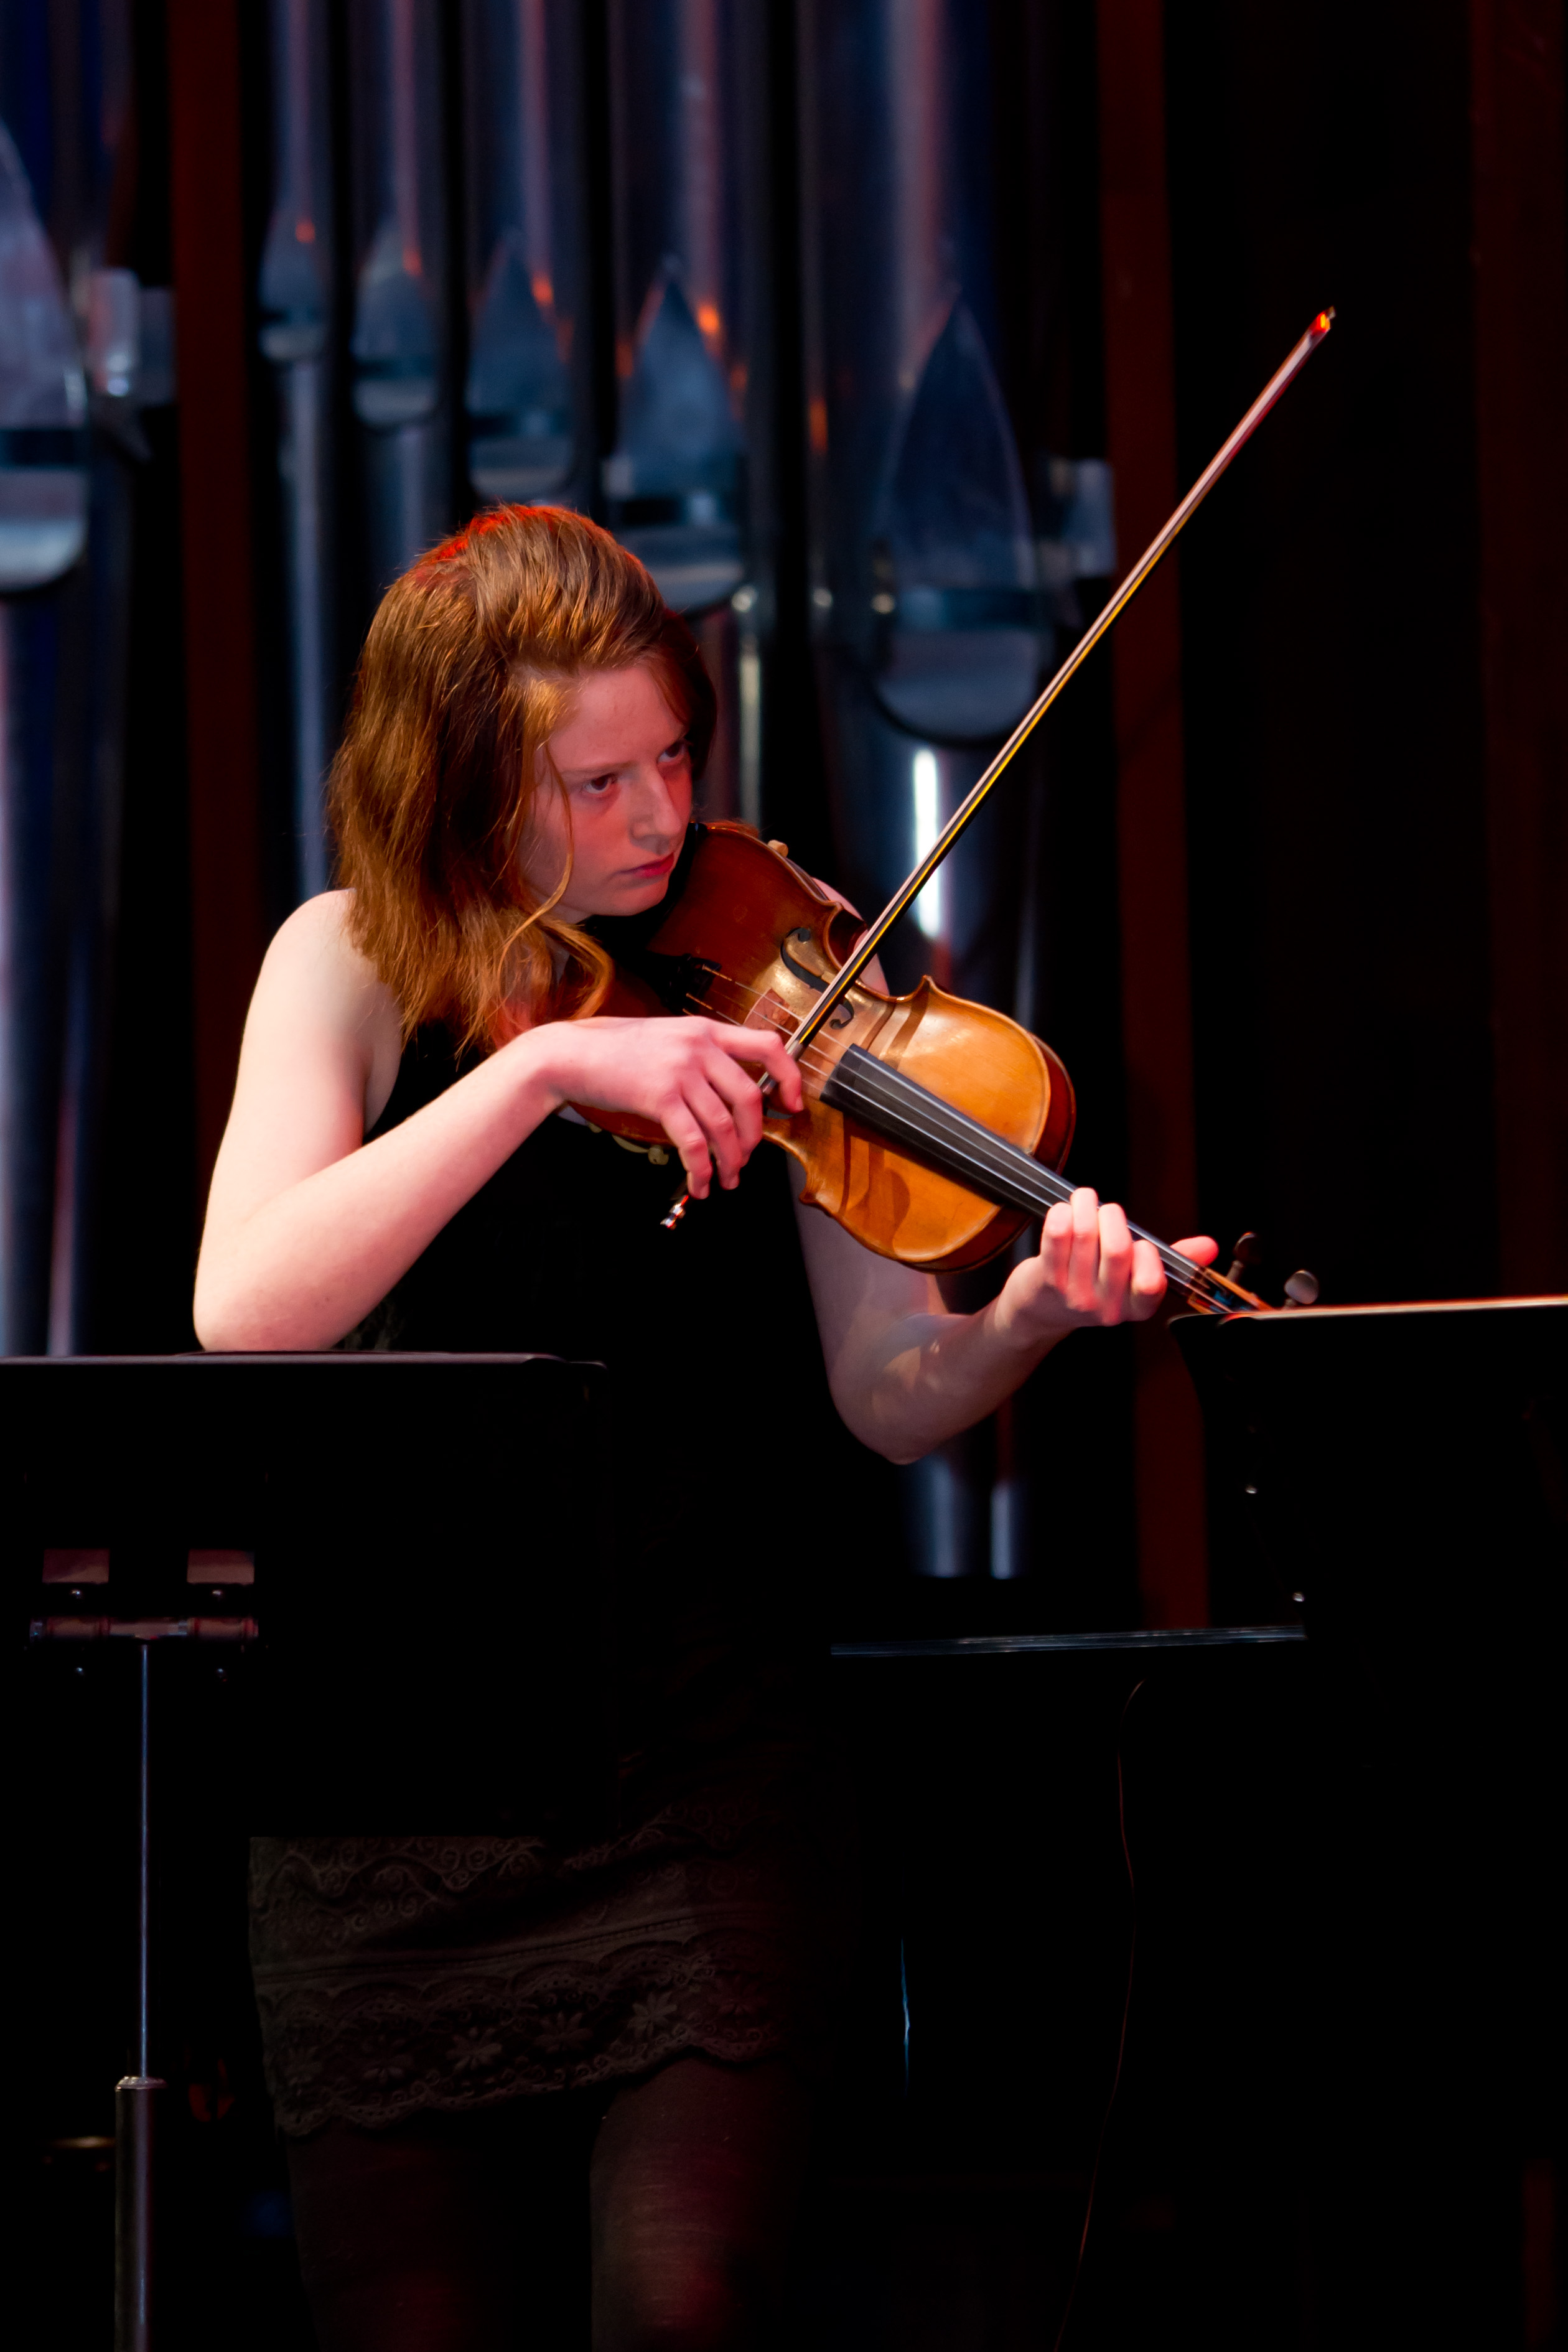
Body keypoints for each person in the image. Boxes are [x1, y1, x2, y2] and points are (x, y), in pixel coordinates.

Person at [195, 505, 1217, 2351]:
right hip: (389, 1799)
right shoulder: (347, 960)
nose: (661, 818)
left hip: (704, 1770)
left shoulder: (780, 965)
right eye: (595, 783)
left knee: (691, 2308)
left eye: (675, 755)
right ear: (460, 780)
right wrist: (537, 1067)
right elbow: (248, 1307)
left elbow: (885, 1395)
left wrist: (1030, 1315)